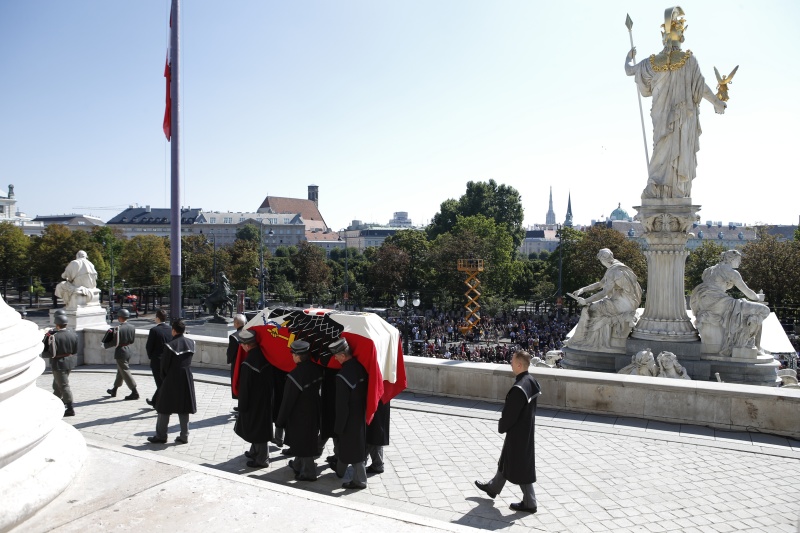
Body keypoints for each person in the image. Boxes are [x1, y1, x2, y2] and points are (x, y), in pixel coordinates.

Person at [624, 7, 726, 199]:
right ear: (681, 37)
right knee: (680, 154)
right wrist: (717, 103)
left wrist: (628, 58)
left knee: (660, 149)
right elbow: (701, 87)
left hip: (662, 120)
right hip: (682, 120)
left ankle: (657, 186)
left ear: (664, 37)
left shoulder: (652, 63)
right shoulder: (689, 61)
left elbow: (629, 70)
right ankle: (677, 190)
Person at [475, 350, 541, 513]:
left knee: (520, 464)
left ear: (519, 365)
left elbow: (510, 414)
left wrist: (502, 426)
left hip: (517, 432)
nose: (510, 364)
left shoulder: (519, 388)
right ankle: (493, 488)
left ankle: (530, 502)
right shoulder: (531, 381)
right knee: (507, 459)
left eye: (512, 361)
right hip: (525, 429)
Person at [689, 249, 770, 356]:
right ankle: (747, 343)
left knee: (749, 312)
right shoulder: (731, 272)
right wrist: (758, 297)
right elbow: (747, 292)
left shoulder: (708, 270)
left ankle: (749, 343)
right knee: (764, 310)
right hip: (718, 303)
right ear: (732, 259)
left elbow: (711, 285)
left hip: (703, 302)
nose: (740, 263)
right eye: (739, 260)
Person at [564, 249, 642, 353]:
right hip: (628, 301)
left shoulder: (613, 271)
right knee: (593, 307)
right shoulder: (617, 266)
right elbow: (601, 283)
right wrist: (583, 289)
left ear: (603, 259)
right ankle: (583, 340)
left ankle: (582, 340)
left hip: (623, 304)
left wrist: (586, 301)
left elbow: (603, 293)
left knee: (588, 309)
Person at [275, 340, 323, 481]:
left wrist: (280, 421)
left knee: (304, 443)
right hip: (315, 411)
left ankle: (309, 473)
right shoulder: (317, 369)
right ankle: (297, 465)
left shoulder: (294, 376)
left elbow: (287, 402)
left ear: (297, 356)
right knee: (306, 440)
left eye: (293, 354)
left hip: (299, 416)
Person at [327, 338, 368, 490]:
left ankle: (359, 481)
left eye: (336, 356)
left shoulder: (342, 376)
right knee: (352, 447)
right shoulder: (359, 367)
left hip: (349, 419)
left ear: (343, 355)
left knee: (354, 450)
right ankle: (339, 471)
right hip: (360, 414)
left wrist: (338, 427)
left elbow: (341, 406)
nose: (335, 358)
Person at [148, 319, 196, 444]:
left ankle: (161, 436)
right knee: (184, 408)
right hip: (186, 378)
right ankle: (184, 435)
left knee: (164, 407)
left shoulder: (170, 346)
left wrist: (165, 379)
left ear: (173, 330)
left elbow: (163, 367)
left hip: (171, 378)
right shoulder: (191, 343)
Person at [233, 329, 274, 468]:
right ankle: (255, 452)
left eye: (243, 344)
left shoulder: (248, 363)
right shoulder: (265, 356)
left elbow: (245, 388)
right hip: (265, 399)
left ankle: (262, 459)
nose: (242, 346)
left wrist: (242, 406)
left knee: (258, 430)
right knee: (258, 427)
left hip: (253, 402)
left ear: (248, 345)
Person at [42, 311, 79, 417]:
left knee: (63, 385)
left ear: (57, 324)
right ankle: (55, 403)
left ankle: (70, 407)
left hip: (58, 363)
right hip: (70, 361)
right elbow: (75, 350)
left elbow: (49, 352)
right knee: (57, 384)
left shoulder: (54, 337)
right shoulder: (73, 334)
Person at [104, 308, 139, 400]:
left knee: (125, 371)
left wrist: (105, 345)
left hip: (120, 351)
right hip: (128, 349)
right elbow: (132, 340)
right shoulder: (132, 327)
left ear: (120, 317)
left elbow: (115, 342)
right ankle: (114, 389)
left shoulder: (118, 328)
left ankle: (134, 391)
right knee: (121, 371)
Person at [145, 309, 172, 407]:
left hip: (157, 361)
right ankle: (154, 401)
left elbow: (149, 347)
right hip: (168, 360)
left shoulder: (154, 330)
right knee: (163, 382)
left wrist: (151, 357)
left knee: (160, 384)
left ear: (157, 318)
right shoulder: (171, 329)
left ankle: (162, 405)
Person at [227, 314, 246, 410]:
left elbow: (231, 353)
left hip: (238, 363)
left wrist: (229, 360)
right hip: (248, 363)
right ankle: (241, 406)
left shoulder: (234, 337)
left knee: (238, 383)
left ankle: (241, 406)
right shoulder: (250, 333)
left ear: (237, 323)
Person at [365, 399, 390, 475]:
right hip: (380, 398)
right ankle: (364, 460)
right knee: (374, 430)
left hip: (377, 399)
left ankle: (377, 464)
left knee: (374, 430)